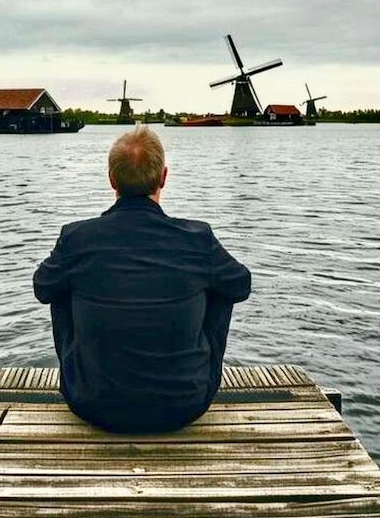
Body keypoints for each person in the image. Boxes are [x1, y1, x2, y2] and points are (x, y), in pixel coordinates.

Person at [33, 124, 251, 433]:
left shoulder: (76, 238)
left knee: (58, 285)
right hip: (185, 406)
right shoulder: (198, 239)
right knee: (222, 285)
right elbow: (241, 285)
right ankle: (190, 368)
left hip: (90, 404)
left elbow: (42, 287)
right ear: (164, 176)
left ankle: (87, 374)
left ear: (111, 180)